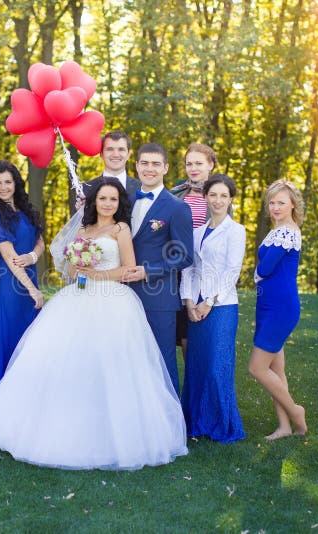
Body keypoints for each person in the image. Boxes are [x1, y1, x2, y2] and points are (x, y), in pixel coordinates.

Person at [0, 179, 187, 470]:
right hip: (78, 297)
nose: (108, 204)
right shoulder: (83, 230)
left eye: (113, 199)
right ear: (94, 201)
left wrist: (98, 274)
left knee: (111, 363)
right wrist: (77, 265)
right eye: (103, 198)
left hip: (113, 301)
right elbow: (71, 271)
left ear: (119, 203)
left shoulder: (121, 229)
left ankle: (113, 432)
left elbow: (128, 268)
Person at [120, 143, 194, 395]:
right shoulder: (125, 202)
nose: (149, 169)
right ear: (136, 166)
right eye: (144, 163)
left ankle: (171, 419)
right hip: (123, 296)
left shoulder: (177, 207)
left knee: (162, 361)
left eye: (155, 164)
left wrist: (147, 271)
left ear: (165, 168)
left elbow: (184, 256)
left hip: (159, 298)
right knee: (129, 361)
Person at [180, 174, 246, 443]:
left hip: (221, 306)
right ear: (205, 197)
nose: (218, 200)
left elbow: (233, 271)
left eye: (223, 196)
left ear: (230, 200)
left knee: (216, 366)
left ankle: (222, 424)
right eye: (213, 195)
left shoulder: (236, 231)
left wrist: (209, 302)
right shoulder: (196, 232)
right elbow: (189, 268)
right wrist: (188, 302)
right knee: (197, 366)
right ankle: (195, 422)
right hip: (195, 306)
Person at [248, 179, 308, 440]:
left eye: (281, 202)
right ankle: (285, 427)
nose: (275, 207)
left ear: (293, 205)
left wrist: (257, 272)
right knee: (276, 370)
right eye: (271, 202)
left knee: (257, 368)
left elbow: (265, 268)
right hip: (268, 305)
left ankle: (296, 412)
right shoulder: (278, 230)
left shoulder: (287, 232)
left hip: (280, 308)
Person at [0, 160, 46, 396]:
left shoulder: (25, 208)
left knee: (29, 341)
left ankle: (26, 397)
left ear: (16, 183)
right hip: (8, 285)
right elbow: (9, 256)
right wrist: (32, 289)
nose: (3, 187)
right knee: (8, 339)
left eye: (7, 182)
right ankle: (3, 399)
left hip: (28, 278)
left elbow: (40, 242)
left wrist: (32, 256)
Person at [170, 143, 218, 359]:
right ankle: (189, 376)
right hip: (179, 268)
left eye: (199, 163)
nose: (193, 168)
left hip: (204, 270)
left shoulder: (219, 195)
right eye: (189, 164)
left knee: (199, 330)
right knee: (182, 332)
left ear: (210, 165)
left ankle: (198, 375)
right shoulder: (176, 193)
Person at [73, 130, 140, 213]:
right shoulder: (85, 190)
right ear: (101, 154)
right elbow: (76, 221)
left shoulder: (142, 189)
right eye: (110, 149)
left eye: (121, 149)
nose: (116, 154)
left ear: (128, 154)